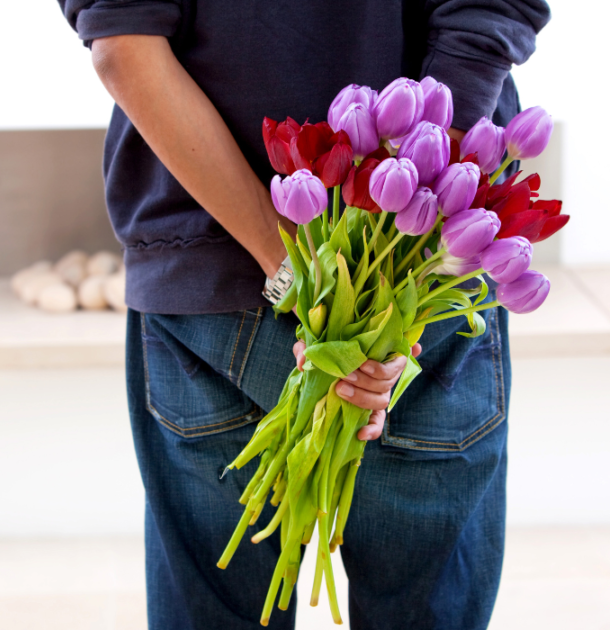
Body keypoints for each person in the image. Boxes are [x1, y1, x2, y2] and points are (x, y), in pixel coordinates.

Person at [56, 2, 550, 629]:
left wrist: (295, 272)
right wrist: (385, 271)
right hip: (432, 263)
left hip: (210, 269)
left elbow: (125, 44)